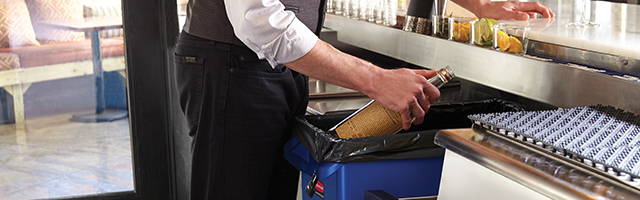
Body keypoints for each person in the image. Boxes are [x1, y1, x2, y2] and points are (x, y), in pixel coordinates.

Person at [173, 0, 554, 199]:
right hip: (230, 64)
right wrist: (376, 80)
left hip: (279, 66)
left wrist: (480, 6)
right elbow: (258, 19)